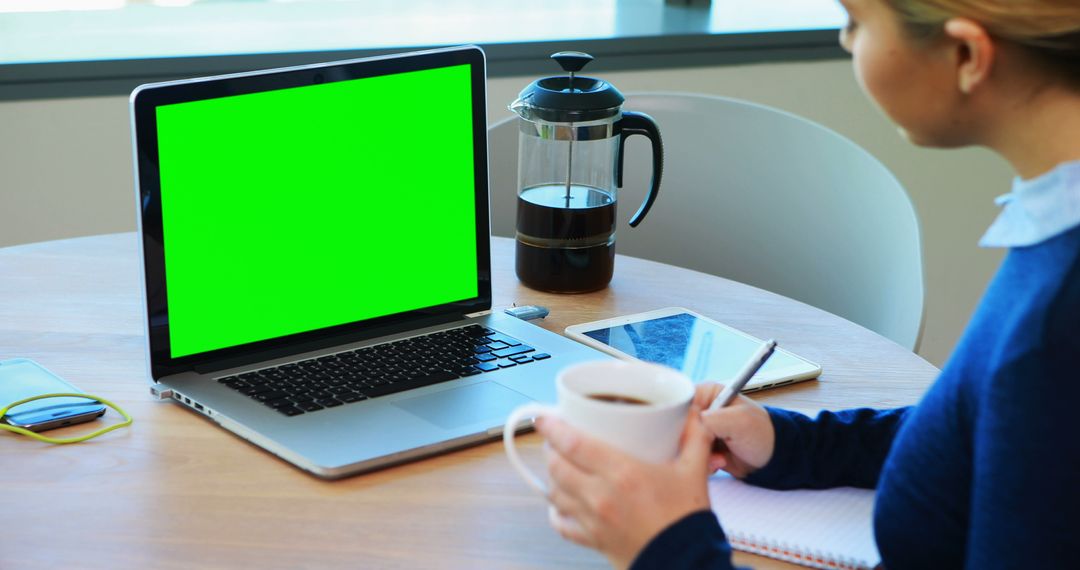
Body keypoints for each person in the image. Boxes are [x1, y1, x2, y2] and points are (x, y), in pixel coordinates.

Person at [533, 0, 1080, 567]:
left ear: (966, 54)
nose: (846, 41)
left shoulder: (1056, 328)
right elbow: (997, 434)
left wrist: (668, 546)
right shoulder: (1056, 243)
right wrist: (798, 444)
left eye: (856, 21)